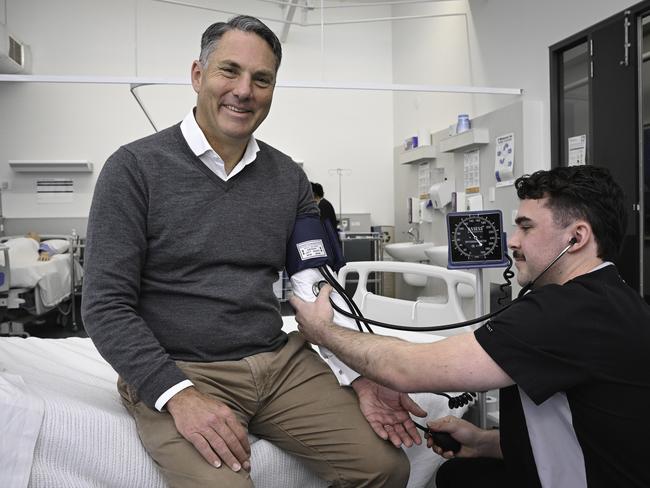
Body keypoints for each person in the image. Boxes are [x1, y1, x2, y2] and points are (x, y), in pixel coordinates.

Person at [82, 15, 423, 488]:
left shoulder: (288, 178)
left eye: (261, 79)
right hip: (183, 367)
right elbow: (104, 306)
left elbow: (313, 289)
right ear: (198, 75)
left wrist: (357, 374)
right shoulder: (134, 169)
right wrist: (176, 394)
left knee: (385, 469)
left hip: (279, 363)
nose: (244, 90)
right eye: (229, 71)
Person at [291, 165, 650, 488]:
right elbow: (591, 433)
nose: (512, 240)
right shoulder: (613, 298)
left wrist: (323, 331)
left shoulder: (568, 312)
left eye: (526, 227)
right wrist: (485, 442)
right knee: (458, 476)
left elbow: (403, 370)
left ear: (577, 238)